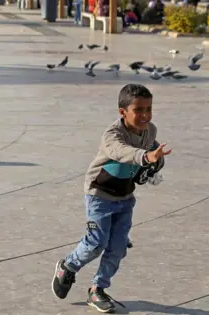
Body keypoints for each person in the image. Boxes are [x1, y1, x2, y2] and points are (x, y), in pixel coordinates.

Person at [51, 84, 172, 313]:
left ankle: (97, 289)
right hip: (100, 194)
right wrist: (145, 157)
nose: (145, 115)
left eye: (149, 109)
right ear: (122, 112)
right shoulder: (112, 135)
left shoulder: (150, 130)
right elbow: (121, 152)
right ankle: (68, 266)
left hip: (125, 195)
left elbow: (152, 147)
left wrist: (156, 163)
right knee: (96, 243)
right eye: (139, 110)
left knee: (117, 247)